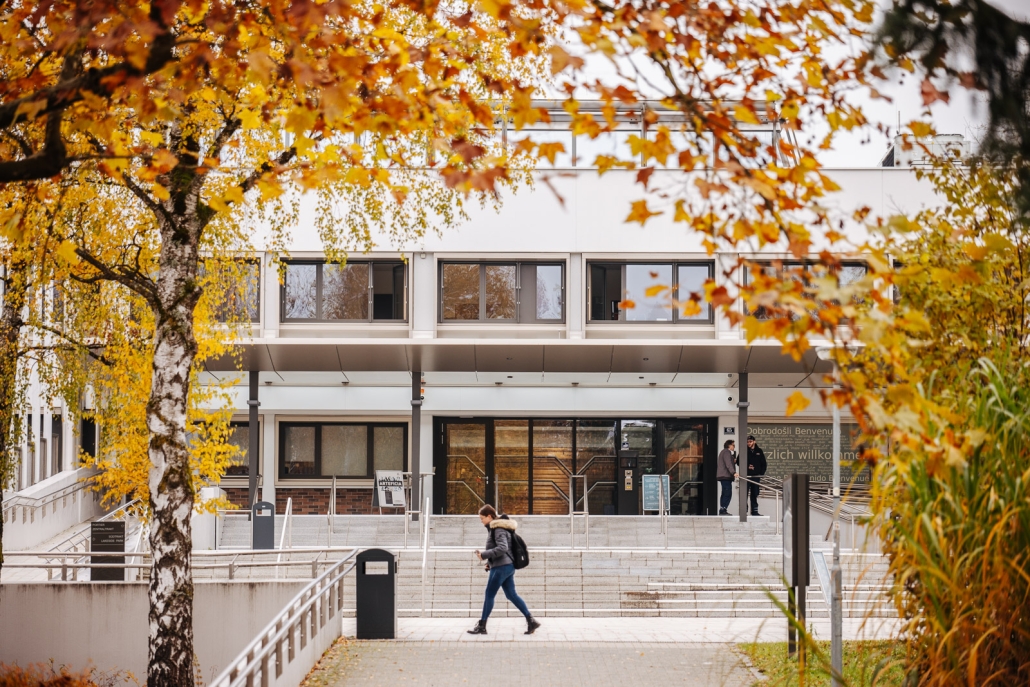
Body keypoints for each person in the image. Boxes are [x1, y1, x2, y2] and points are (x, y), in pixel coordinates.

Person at [468, 504, 541, 636]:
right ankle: (531, 621)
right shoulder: (498, 528)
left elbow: (503, 548)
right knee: (511, 595)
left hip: (502, 567)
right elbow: (501, 550)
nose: (481, 521)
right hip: (506, 566)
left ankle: (482, 625)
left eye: (482, 518)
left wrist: (484, 555)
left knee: (489, 594)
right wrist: (490, 563)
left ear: (489, 516)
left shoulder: (498, 529)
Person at [746, 435, 767, 516]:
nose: (749, 443)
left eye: (750, 442)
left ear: (754, 441)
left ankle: (754, 511)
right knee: (744, 494)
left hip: (756, 477)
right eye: (747, 442)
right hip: (746, 476)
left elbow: (764, 464)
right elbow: (738, 461)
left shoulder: (759, 451)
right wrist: (747, 466)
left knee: (755, 493)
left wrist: (760, 474)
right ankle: (744, 512)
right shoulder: (744, 450)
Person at [716, 439, 738, 515]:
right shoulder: (726, 452)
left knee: (725, 492)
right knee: (727, 493)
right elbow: (728, 464)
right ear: (729, 445)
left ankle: (723, 508)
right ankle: (723, 509)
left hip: (724, 476)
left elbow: (728, 462)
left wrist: (733, 461)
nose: (734, 447)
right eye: (733, 445)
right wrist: (734, 472)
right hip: (725, 476)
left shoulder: (724, 452)